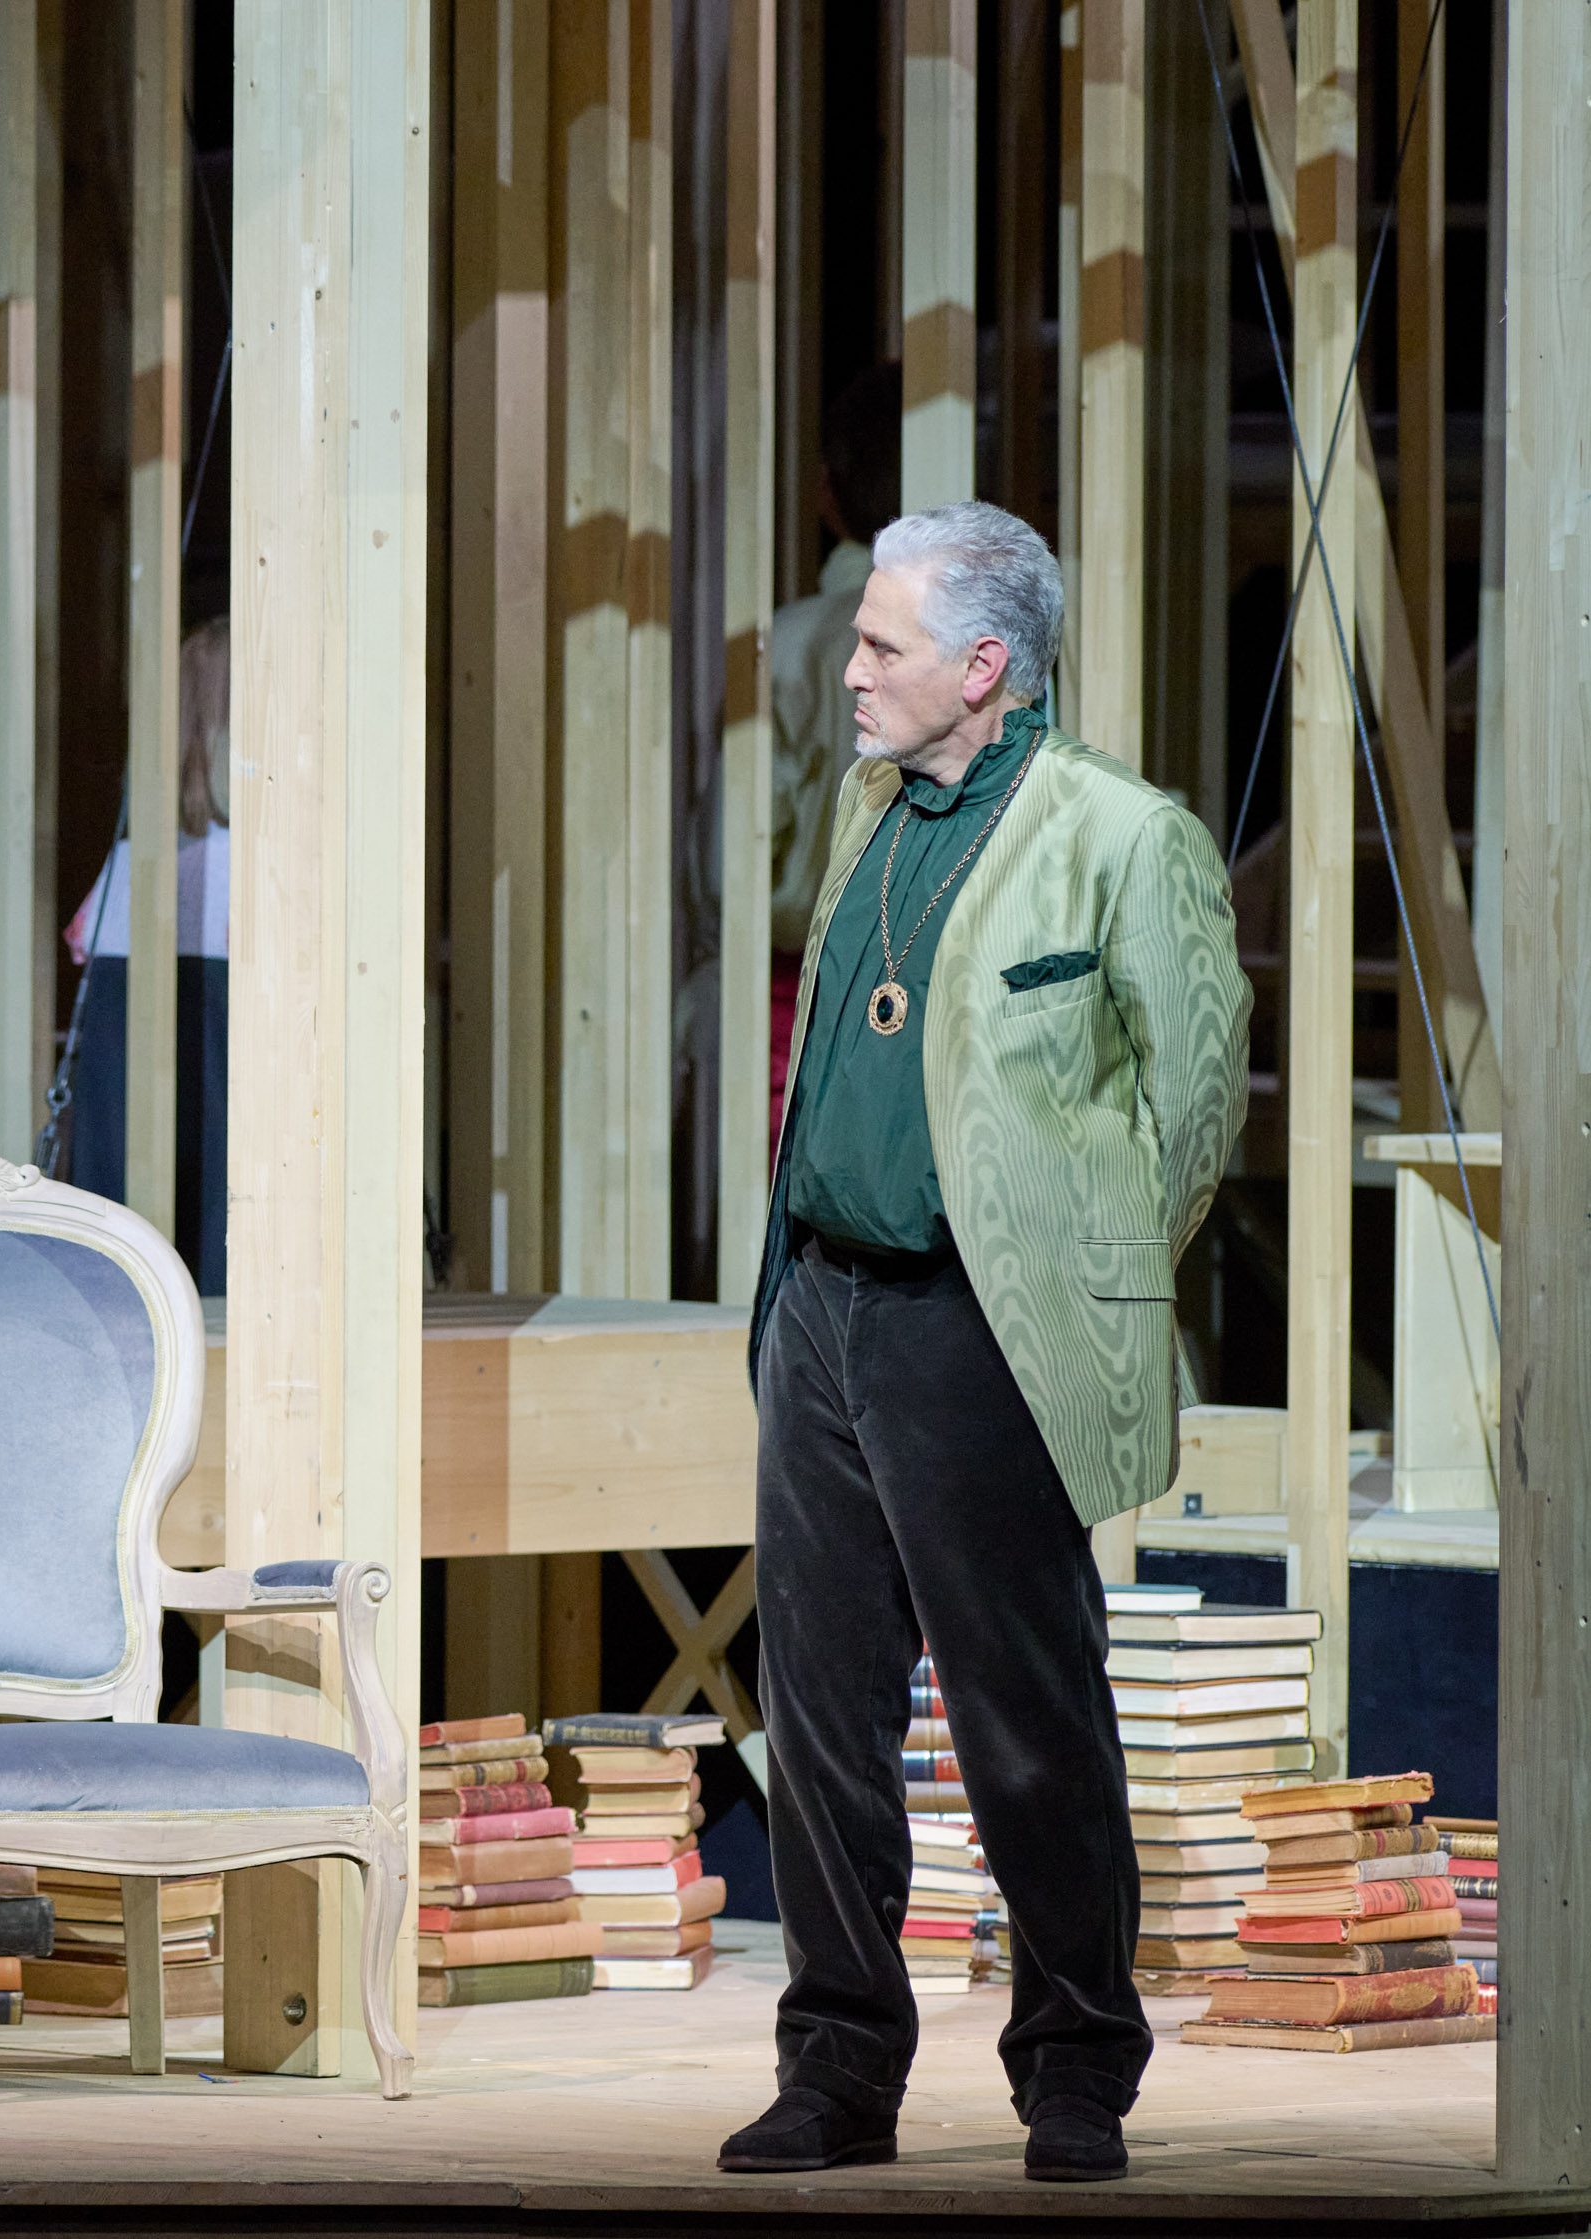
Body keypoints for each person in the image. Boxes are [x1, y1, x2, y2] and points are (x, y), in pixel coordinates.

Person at [718, 502, 1249, 2186]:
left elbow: (1196, 1104)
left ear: (985, 666)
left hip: (980, 1323)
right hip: (822, 1307)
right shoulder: (871, 803)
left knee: (1027, 1716)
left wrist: (1072, 1272)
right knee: (818, 1716)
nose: (850, 670)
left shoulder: (1119, 834)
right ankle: (838, 2066)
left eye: (882, 645)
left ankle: (1078, 2060)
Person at [62, 615, 230, 1292]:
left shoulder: (132, 859)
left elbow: (82, 940)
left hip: (124, 1076)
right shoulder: (258, 867)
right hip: (221, 1050)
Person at [766, 361, 903, 1140]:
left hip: (799, 1002)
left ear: (827, 490)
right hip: (943, 997)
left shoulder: (787, 648)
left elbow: (726, 868)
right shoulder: (990, 661)